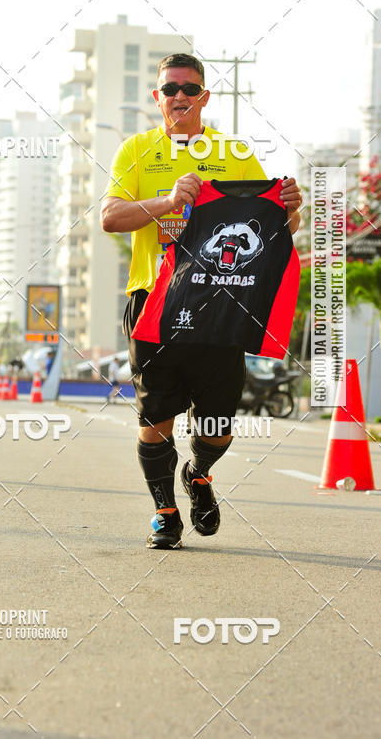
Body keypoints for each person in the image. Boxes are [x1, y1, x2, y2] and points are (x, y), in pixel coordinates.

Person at [100, 52, 302, 550]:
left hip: (222, 305)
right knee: (155, 421)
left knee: (217, 426)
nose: (180, 97)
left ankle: (199, 471)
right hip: (154, 302)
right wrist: (167, 202)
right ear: (157, 97)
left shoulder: (233, 153)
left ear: (205, 96)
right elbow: (109, 217)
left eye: (190, 89)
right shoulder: (136, 151)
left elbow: (274, 228)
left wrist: (293, 211)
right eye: (170, 89)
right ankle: (165, 513)